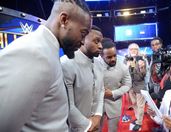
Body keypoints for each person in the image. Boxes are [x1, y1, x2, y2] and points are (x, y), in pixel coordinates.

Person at [0, 0, 91, 131]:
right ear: (64, 20)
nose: (83, 42)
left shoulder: (47, 50)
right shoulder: (33, 53)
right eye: (83, 34)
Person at [61, 25, 104, 132]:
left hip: (97, 124)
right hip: (76, 128)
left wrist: (98, 116)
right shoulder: (67, 63)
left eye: (101, 42)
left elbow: (101, 90)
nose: (101, 46)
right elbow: (67, 105)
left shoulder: (99, 62)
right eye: (96, 41)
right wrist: (88, 125)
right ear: (83, 39)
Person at [98, 38, 132, 132]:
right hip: (96, 106)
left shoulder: (123, 67)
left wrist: (113, 93)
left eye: (114, 55)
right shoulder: (94, 64)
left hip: (114, 105)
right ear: (101, 55)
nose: (113, 59)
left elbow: (128, 84)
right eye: (109, 57)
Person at [124, 43, 147, 131]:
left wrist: (142, 67)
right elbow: (125, 73)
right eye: (131, 49)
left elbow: (143, 75)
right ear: (129, 50)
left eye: (135, 49)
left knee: (140, 105)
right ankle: (138, 118)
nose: (133, 51)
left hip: (140, 85)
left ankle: (139, 122)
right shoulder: (127, 59)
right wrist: (127, 66)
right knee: (134, 103)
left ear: (138, 50)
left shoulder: (142, 59)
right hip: (131, 86)